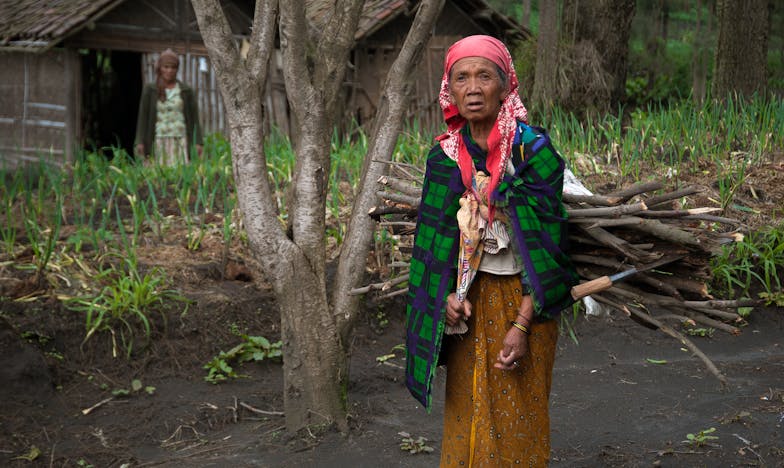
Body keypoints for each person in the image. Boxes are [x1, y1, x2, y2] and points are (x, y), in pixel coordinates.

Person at [405, 35, 578, 466]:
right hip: (470, 307)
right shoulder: (444, 158)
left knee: (518, 414)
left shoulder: (532, 151)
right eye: (462, 78)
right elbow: (432, 246)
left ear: (505, 86)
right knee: (468, 410)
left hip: (524, 305)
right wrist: (446, 298)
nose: (474, 87)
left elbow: (549, 248)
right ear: (451, 90)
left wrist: (522, 324)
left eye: (485, 76)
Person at [135, 49, 203, 166]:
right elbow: (143, 117)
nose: (169, 71)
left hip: (181, 140)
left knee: (181, 175)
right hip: (158, 140)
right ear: (160, 68)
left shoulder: (185, 91)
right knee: (158, 175)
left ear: (177, 69)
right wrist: (140, 141)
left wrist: (198, 142)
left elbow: (194, 118)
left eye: (173, 67)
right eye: (166, 67)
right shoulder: (150, 90)